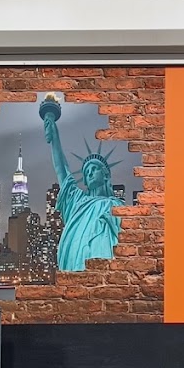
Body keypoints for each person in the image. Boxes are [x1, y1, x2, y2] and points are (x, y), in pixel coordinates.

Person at [43, 110, 121, 272]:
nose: (90, 173)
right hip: (76, 261)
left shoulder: (117, 205)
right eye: (87, 172)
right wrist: (54, 138)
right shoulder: (77, 201)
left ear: (106, 175)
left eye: (94, 169)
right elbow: (62, 170)